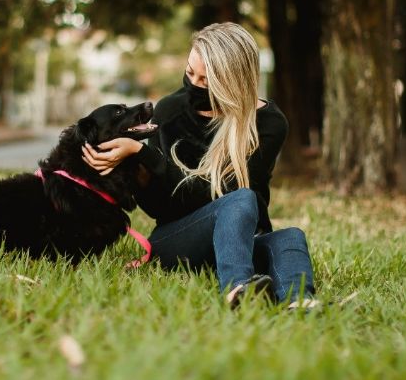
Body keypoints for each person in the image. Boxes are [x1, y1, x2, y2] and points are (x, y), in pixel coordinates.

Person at [82, 22, 317, 310]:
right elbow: (162, 208)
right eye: (190, 73)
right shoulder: (170, 111)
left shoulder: (268, 123)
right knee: (241, 198)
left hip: (239, 241)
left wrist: (147, 157)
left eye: (205, 81)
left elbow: (219, 194)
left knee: (290, 235)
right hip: (178, 241)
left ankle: (300, 302)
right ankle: (237, 290)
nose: (193, 84)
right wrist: (139, 157)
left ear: (231, 82)